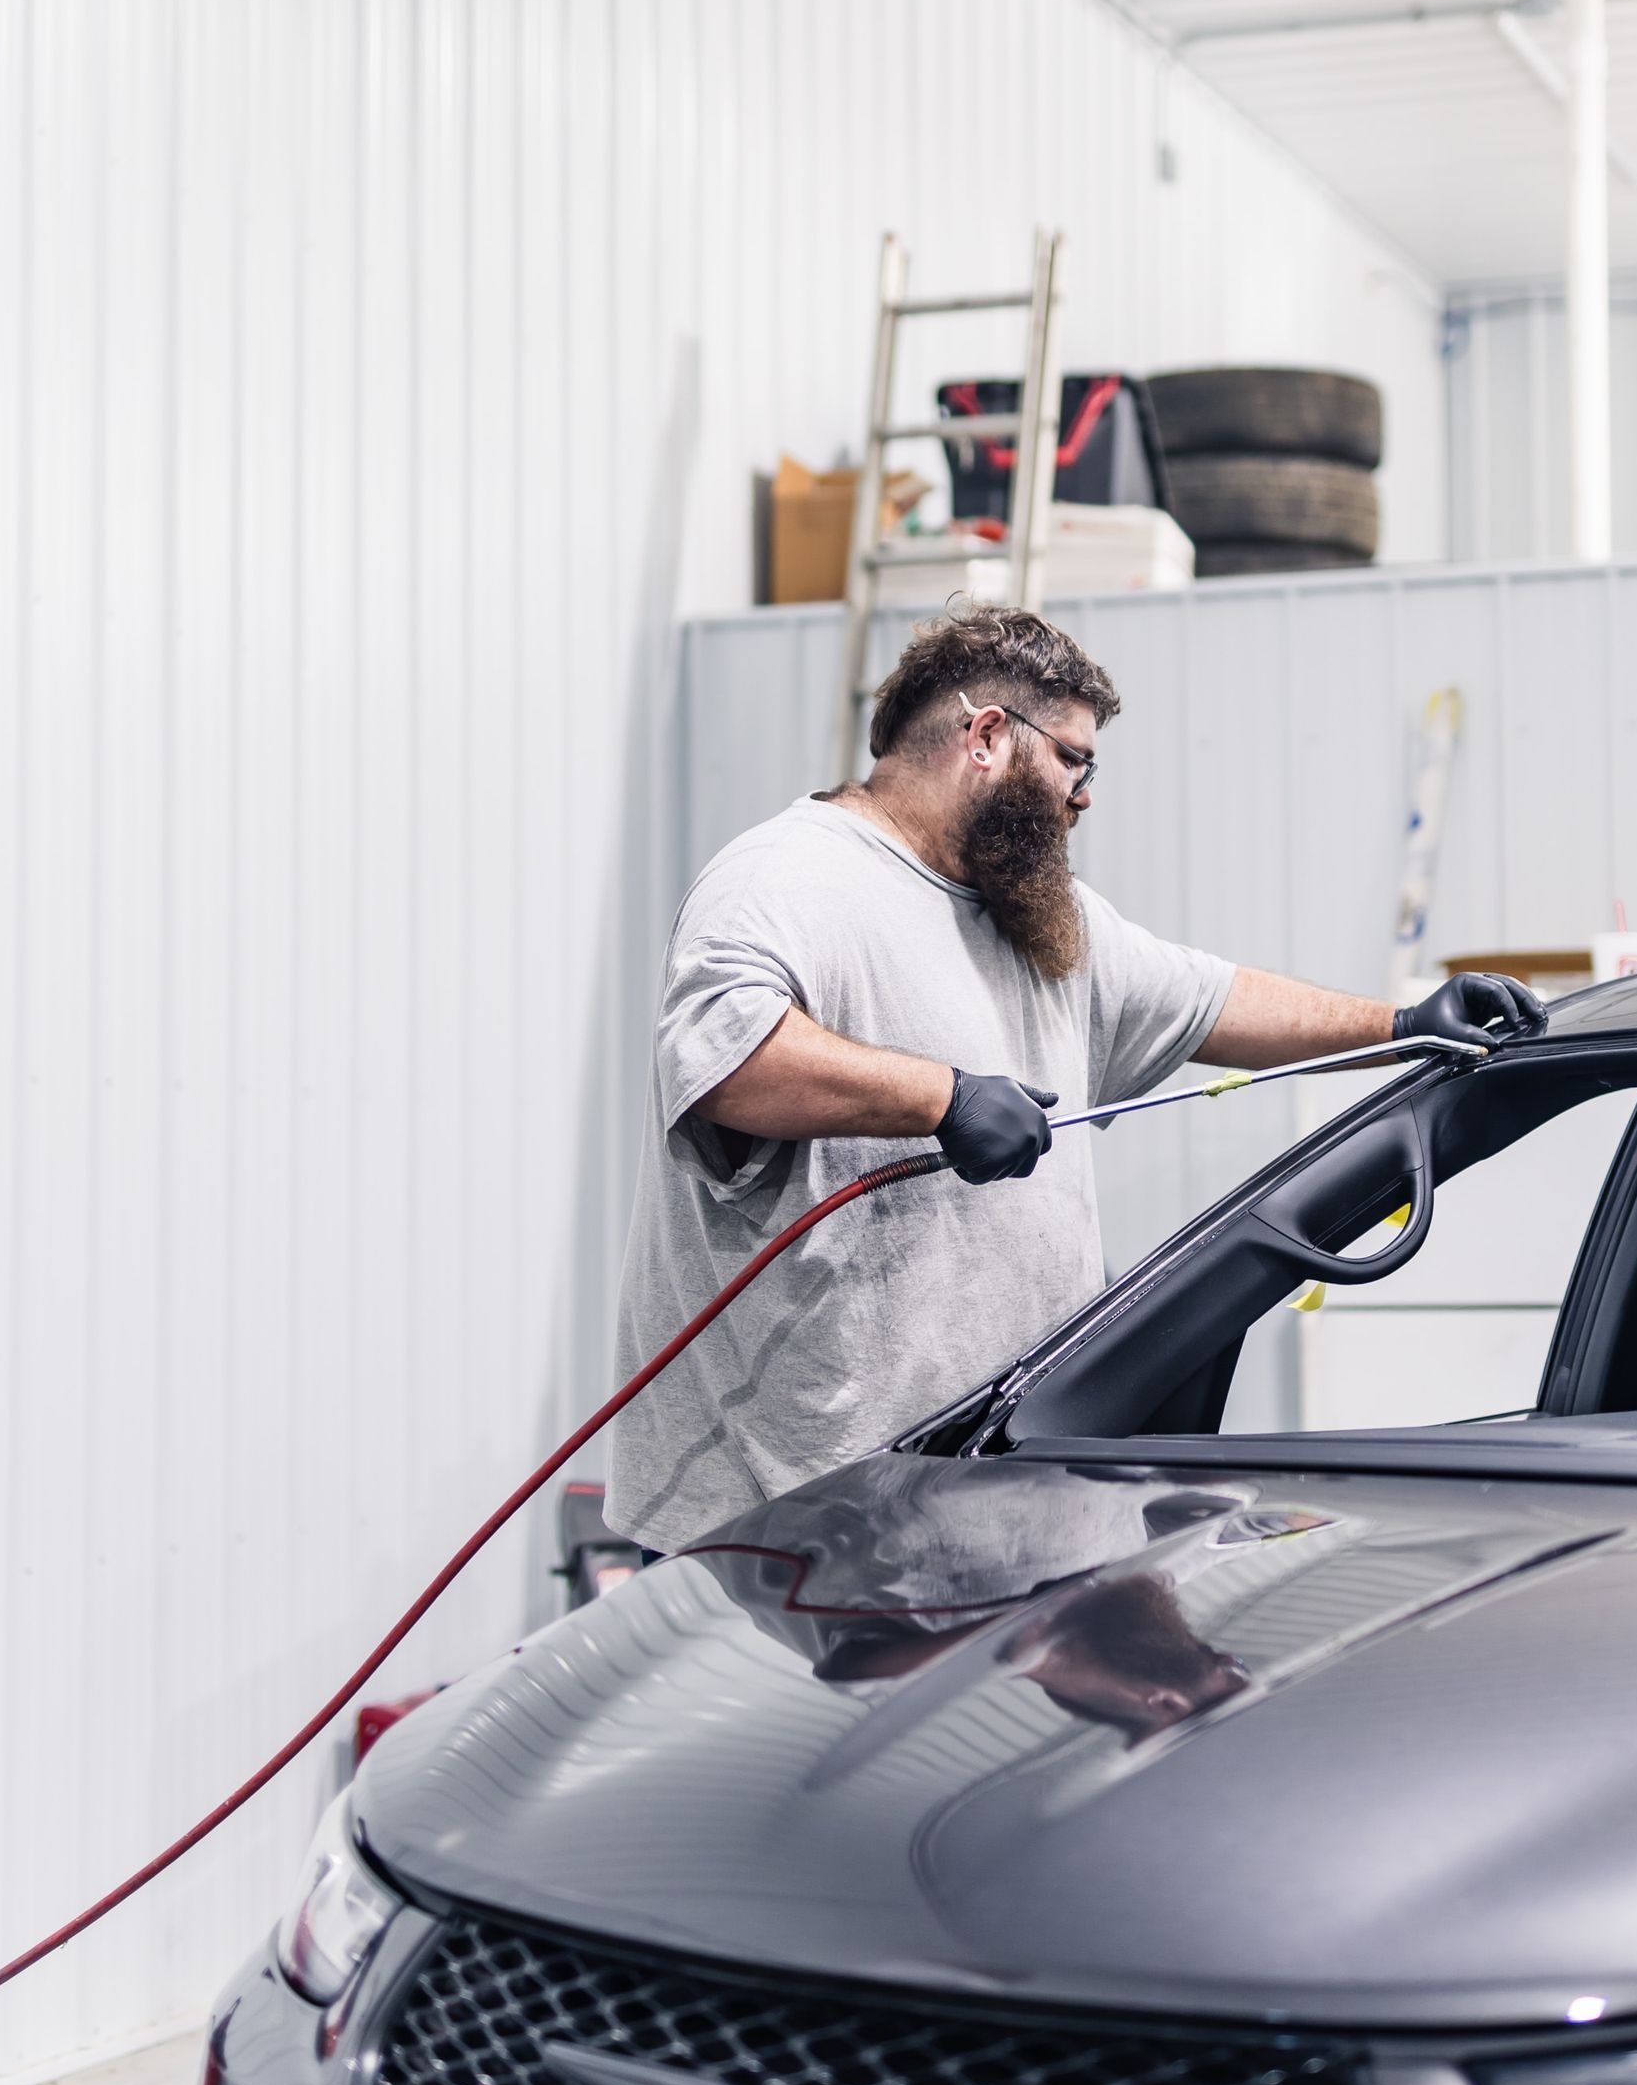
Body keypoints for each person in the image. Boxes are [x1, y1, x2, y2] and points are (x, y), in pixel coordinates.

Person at [604, 603, 1541, 1551]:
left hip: (964, 1501)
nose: (1084, 792)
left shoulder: (1038, 918)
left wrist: (1405, 1025)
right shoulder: (788, 879)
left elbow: (1214, 1000)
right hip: (785, 1520)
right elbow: (725, 1064)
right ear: (986, 736)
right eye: (1073, 759)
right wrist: (944, 1098)